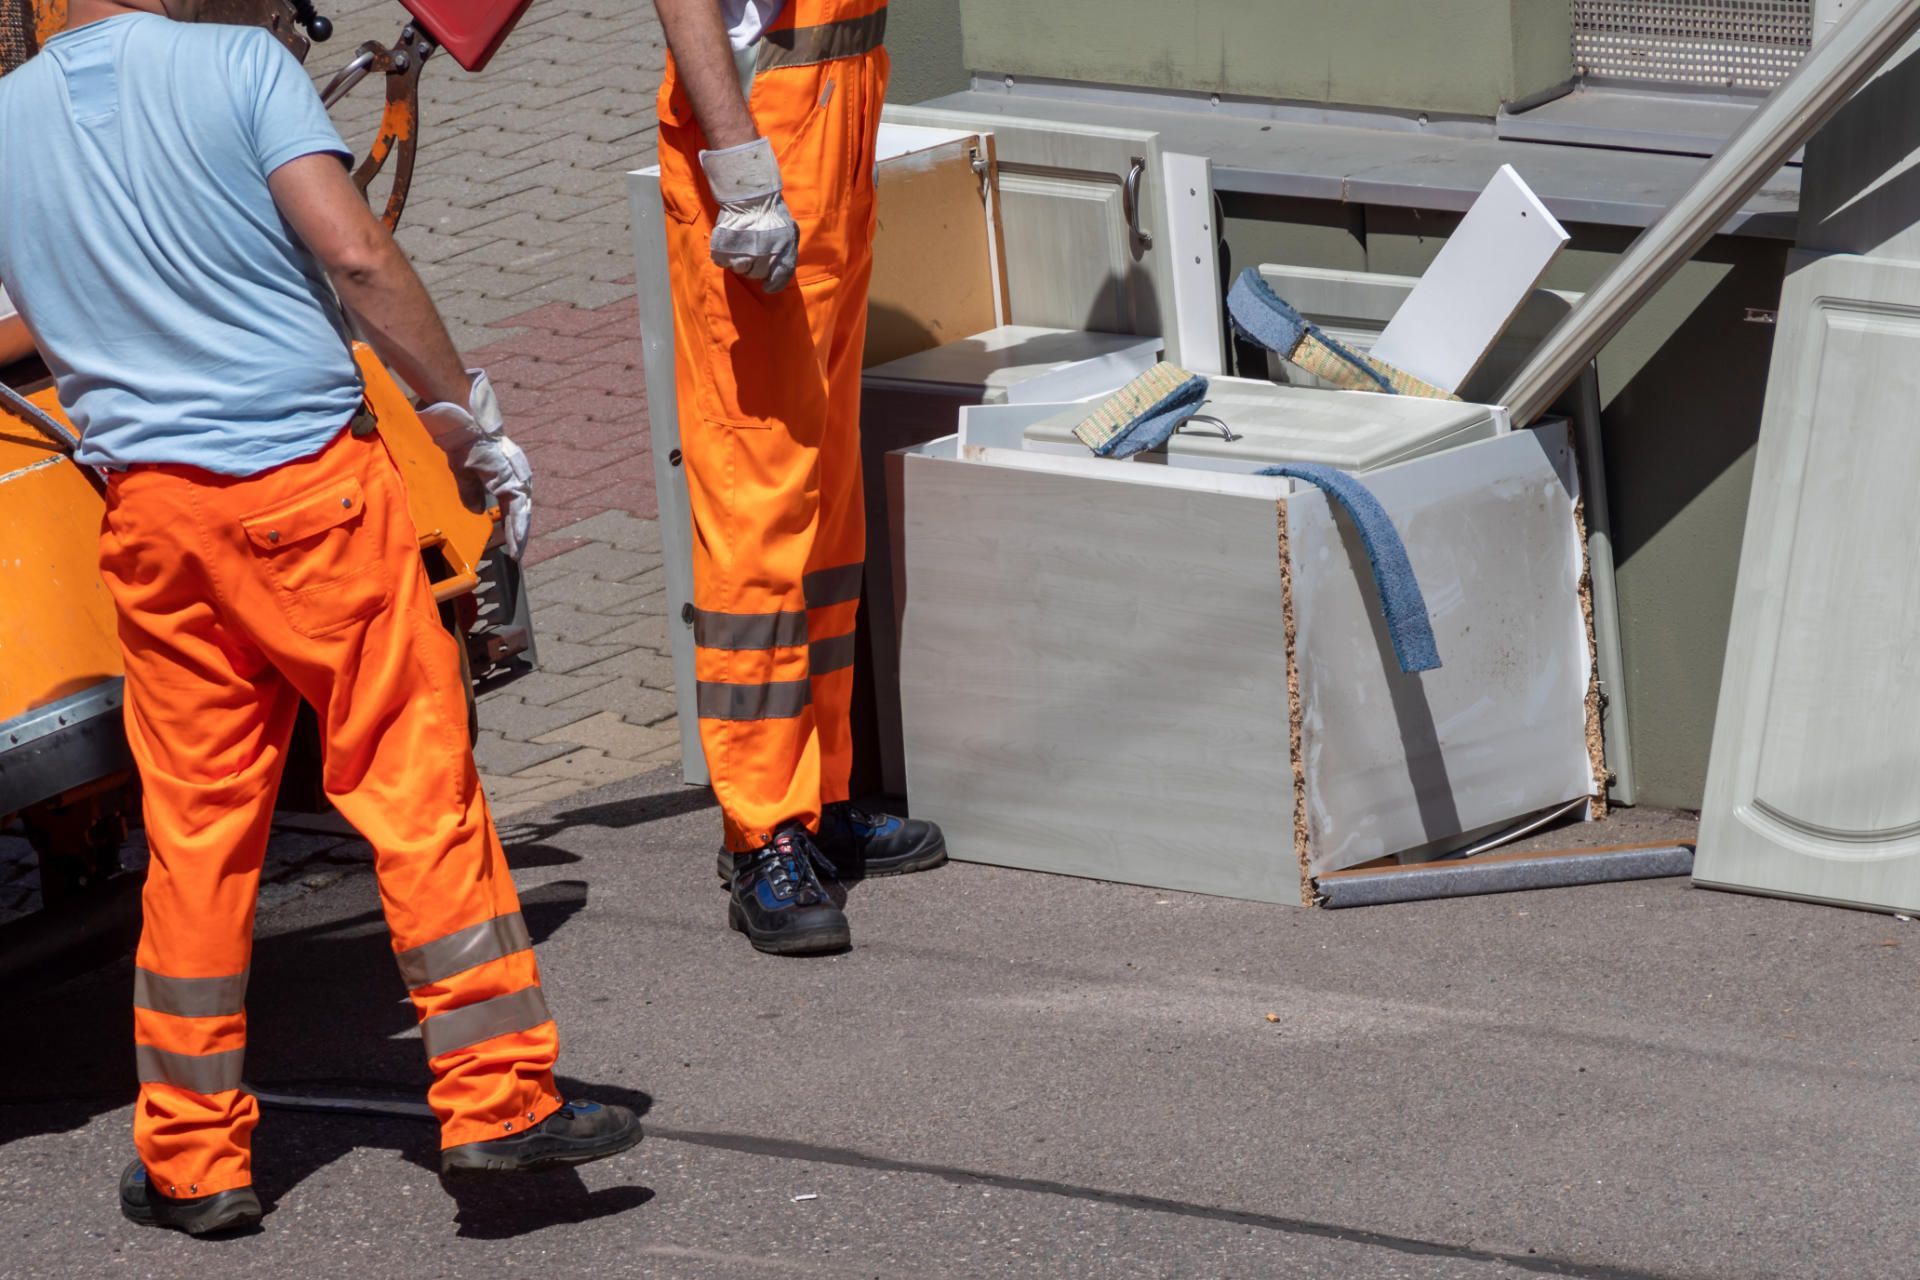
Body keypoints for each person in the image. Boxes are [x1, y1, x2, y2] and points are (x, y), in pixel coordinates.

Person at [0, 0, 641, 1236]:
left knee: (196, 837)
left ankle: (192, 1158)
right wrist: (466, 414)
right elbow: (354, 256)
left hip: (151, 520)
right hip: (306, 500)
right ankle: (499, 1102)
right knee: (414, 787)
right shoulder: (240, 65)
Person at [652, 0, 946, 957]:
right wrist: (740, 175)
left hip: (831, 129)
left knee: (823, 503)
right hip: (767, 138)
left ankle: (815, 804)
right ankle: (761, 829)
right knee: (759, 497)